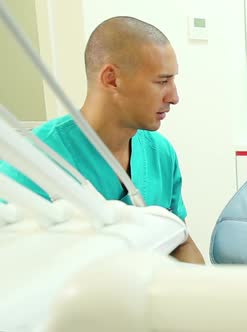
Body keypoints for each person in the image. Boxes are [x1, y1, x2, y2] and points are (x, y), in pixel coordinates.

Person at [0, 16, 205, 264]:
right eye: (162, 81)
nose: (174, 97)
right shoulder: (33, 163)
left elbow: (179, 240)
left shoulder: (160, 153)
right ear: (111, 79)